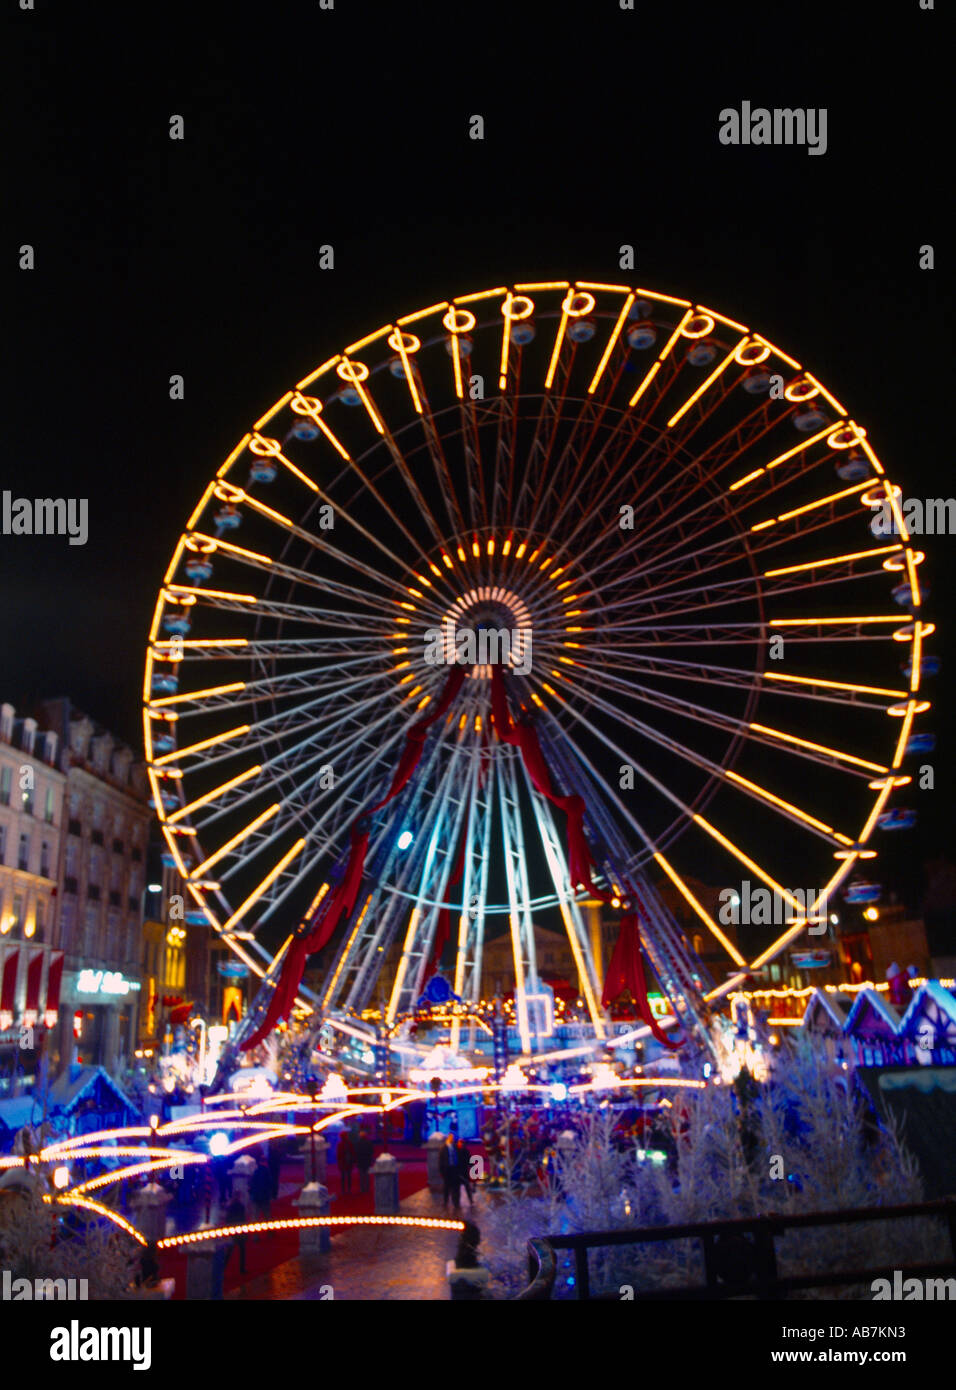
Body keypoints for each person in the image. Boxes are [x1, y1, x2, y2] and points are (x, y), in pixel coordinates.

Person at [439, 1134, 462, 1210]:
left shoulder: (455, 1147)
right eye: (451, 1138)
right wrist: (441, 1171)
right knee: (446, 1186)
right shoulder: (443, 1148)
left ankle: (455, 1202)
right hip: (447, 1169)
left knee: (455, 1186)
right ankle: (446, 1201)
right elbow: (440, 1161)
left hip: (454, 1168)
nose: (452, 1139)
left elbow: (458, 1156)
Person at [226, 1194, 248, 1274]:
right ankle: (242, 1269)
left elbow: (227, 1220)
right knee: (242, 1251)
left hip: (233, 1231)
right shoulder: (241, 1207)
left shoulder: (230, 1208)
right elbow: (243, 1219)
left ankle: (223, 1268)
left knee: (229, 1251)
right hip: (240, 1231)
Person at [250, 1157, 272, 1226]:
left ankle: (255, 1235)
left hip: (256, 1196)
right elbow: (270, 1183)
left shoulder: (256, 1171)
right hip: (264, 1196)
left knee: (255, 1216)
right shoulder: (266, 1171)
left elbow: (252, 1183)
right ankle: (270, 1231)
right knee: (267, 1215)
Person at [455, 1137, 475, 1208]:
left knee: (467, 1187)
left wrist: (473, 1166)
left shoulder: (466, 1151)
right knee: (457, 1188)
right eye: (460, 1142)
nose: (461, 1144)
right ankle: (457, 1202)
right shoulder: (455, 1151)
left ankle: (471, 1200)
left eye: (462, 1143)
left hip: (464, 1171)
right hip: (457, 1172)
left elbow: (469, 1160)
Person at [354, 1128, 374, 1193]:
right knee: (367, 1175)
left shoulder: (358, 1143)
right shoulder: (368, 1142)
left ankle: (362, 1188)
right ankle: (367, 1188)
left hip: (360, 1161)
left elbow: (356, 1152)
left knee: (362, 1175)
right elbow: (371, 1151)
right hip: (367, 1161)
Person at [337, 1128, 355, 1196]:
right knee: (348, 1176)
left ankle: (344, 1190)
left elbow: (338, 1155)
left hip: (343, 1163)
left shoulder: (340, 1144)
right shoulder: (349, 1143)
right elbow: (352, 1152)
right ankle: (348, 1189)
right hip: (348, 1162)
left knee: (343, 1177)